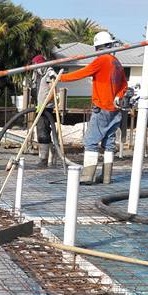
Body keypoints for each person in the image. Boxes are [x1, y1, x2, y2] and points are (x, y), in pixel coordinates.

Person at [55, 31, 127, 184]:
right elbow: (124, 86)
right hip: (115, 110)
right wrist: (118, 97)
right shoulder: (117, 62)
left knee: (91, 141)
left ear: (99, 47)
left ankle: (88, 176)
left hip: (102, 108)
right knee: (109, 143)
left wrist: (60, 78)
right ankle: (106, 177)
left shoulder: (101, 60)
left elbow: (81, 73)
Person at [30, 55, 59, 168]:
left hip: (46, 108)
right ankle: (49, 158)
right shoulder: (41, 74)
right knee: (43, 131)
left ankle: (43, 159)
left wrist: (45, 103)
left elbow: (53, 90)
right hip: (41, 107)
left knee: (43, 133)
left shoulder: (49, 73)